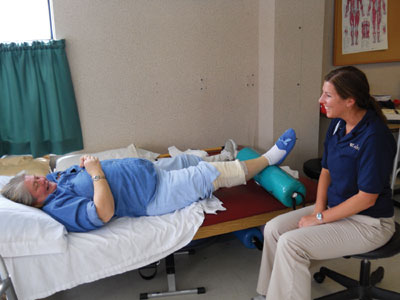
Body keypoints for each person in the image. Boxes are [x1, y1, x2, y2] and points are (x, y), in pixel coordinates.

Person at [252, 66, 396, 300]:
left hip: (370, 223)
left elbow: (366, 198)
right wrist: (319, 209)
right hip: (336, 210)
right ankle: (268, 294)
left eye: (328, 95)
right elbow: (326, 171)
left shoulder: (375, 138)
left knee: (290, 244)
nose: (321, 100)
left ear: (350, 100)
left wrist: (319, 219)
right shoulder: (338, 125)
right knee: (273, 229)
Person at [1, 129, 296, 232]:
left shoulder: (52, 182)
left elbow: (55, 176)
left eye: (36, 178)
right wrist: (95, 172)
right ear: (37, 203)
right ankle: (270, 159)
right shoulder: (59, 207)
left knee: (193, 160)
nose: (43, 181)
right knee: (208, 175)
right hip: (153, 195)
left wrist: (82, 166)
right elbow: (101, 213)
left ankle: (236, 159)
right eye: (37, 187)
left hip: (150, 172)